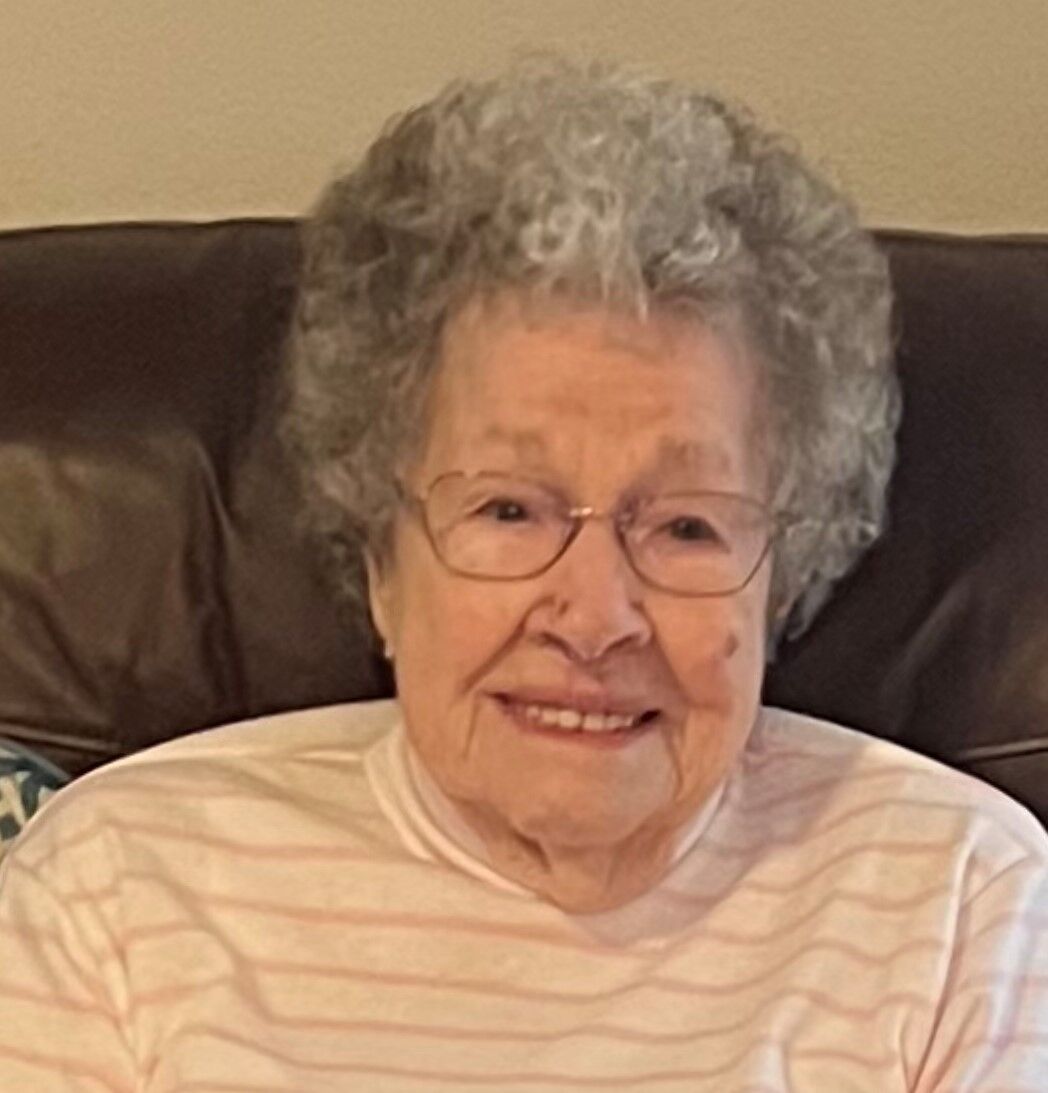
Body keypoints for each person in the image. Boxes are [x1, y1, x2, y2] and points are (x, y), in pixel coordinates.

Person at [1, 58, 1046, 1091]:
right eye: (508, 510)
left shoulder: (961, 902)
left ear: (781, 575)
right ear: (380, 560)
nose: (594, 617)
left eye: (685, 526)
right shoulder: (118, 890)